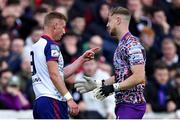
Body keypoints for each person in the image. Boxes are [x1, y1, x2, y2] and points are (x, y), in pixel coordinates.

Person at [75, 7, 146, 119]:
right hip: (123, 105)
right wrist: (98, 84)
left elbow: (139, 76)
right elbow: (122, 76)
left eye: (109, 21)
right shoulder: (121, 46)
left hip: (132, 105)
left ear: (118, 20)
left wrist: (113, 88)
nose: (107, 25)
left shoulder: (132, 45)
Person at [31, 12, 98, 119]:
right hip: (52, 101)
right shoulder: (52, 46)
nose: (64, 31)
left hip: (40, 102)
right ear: (55, 26)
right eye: (63, 27)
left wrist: (82, 59)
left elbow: (60, 73)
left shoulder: (36, 46)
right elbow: (54, 75)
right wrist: (69, 99)